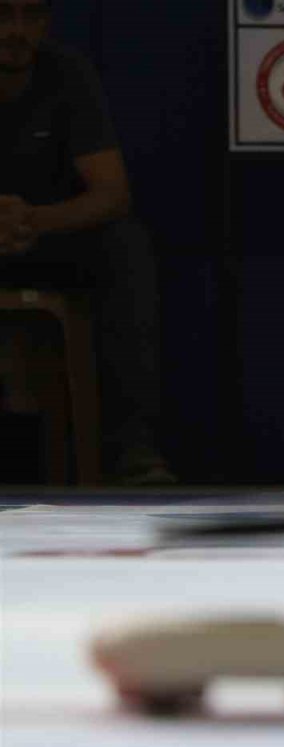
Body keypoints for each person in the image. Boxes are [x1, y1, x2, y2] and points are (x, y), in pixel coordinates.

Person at [0, 0, 174, 484]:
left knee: (124, 246)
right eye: (3, 16)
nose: (17, 31)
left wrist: (32, 219)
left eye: (30, 16)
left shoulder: (64, 74)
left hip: (42, 239)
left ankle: (132, 448)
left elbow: (112, 193)